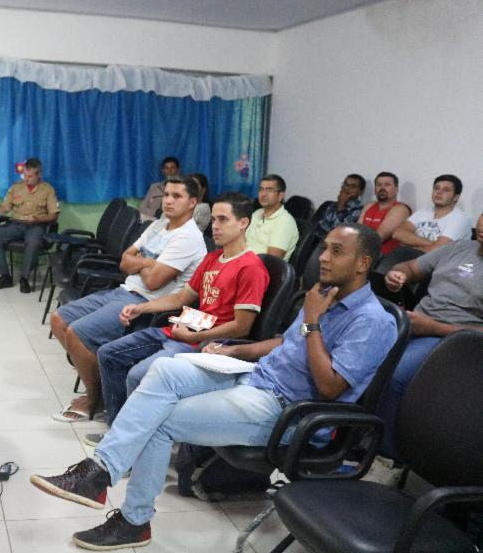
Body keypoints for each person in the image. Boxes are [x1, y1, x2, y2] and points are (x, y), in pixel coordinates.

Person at [30, 223, 395, 551]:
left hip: (287, 408)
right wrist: (237, 350)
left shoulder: (372, 321)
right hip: (255, 375)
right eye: (325, 247)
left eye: (336, 251)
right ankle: (101, 472)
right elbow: (287, 343)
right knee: (165, 371)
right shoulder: (324, 294)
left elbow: (330, 388)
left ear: (363, 263)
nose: (323, 257)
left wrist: (313, 320)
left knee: (162, 419)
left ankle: (133, 521)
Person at [96, 191, 269, 429]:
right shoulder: (212, 258)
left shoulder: (251, 267)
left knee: (138, 374)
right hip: (183, 329)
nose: (215, 226)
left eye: (223, 220)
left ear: (243, 223)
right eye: (214, 220)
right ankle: (118, 429)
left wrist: (194, 336)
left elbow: (242, 327)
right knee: (108, 353)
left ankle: (136, 436)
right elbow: (181, 297)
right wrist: (141, 307)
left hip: (206, 340)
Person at [51, 175, 207, 421]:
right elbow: (125, 260)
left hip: (145, 303)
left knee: (77, 333)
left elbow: (154, 282)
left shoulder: (188, 237)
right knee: (59, 319)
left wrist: (141, 265)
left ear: (192, 203)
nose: (168, 201)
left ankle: (94, 400)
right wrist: (148, 262)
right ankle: (100, 388)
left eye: (177, 196)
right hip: (123, 290)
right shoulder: (158, 225)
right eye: (166, 194)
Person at [377, 212, 483, 459]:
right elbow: (413, 267)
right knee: (355, 352)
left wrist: (434, 328)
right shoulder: (459, 248)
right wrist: (399, 274)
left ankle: (386, 456)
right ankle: (341, 431)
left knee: (395, 373)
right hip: (416, 323)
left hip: (456, 340)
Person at [0, 157, 60, 293]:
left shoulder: (48, 190)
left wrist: (37, 219)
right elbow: (4, 208)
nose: (26, 179)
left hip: (36, 225)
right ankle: (5, 276)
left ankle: (24, 278)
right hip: (16, 224)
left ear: (39, 174)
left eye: (30, 176)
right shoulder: (16, 187)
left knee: (34, 242)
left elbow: (54, 215)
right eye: (25, 175)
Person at [392, 174, 472, 253]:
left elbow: (437, 251)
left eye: (446, 190)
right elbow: (398, 233)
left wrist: (411, 244)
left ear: (456, 197)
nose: (439, 192)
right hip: (411, 258)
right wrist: (433, 244)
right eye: (436, 188)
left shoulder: (460, 219)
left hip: (442, 264)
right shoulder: (422, 212)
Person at [245, 174, 299, 261]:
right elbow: (241, 241)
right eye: (261, 189)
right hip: (242, 262)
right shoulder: (257, 213)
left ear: (280, 196)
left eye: (269, 190)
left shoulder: (284, 221)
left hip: (261, 270)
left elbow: (272, 261)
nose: (263, 194)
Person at [358, 171, 411, 257]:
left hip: (384, 255)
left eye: (387, 185)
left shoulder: (401, 209)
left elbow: (378, 238)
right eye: (378, 185)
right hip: (361, 250)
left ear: (396, 189)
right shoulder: (369, 205)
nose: (382, 188)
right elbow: (357, 230)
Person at [313, 173, 365, 240]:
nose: (347, 188)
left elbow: (339, 232)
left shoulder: (359, 210)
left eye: (353, 186)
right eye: (346, 184)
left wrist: (341, 204)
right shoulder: (332, 205)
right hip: (320, 240)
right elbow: (320, 228)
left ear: (361, 192)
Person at [138, 156, 180, 220]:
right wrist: (156, 212)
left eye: (172, 168)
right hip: (152, 218)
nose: (169, 171)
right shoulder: (155, 187)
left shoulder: (183, 188)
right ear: (162, 171)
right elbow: (142, 207)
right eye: (166, 168)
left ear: (178, 170)